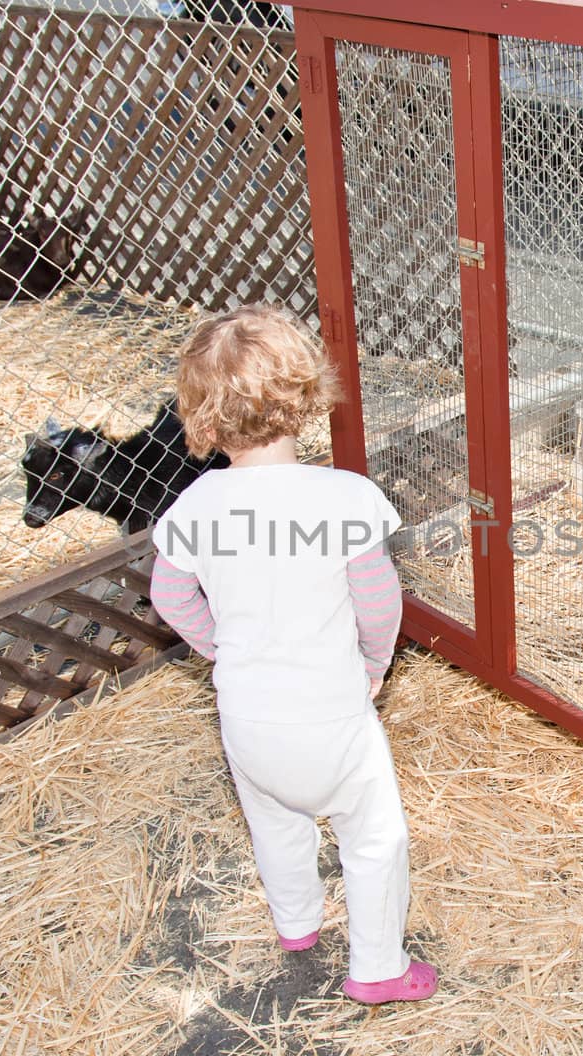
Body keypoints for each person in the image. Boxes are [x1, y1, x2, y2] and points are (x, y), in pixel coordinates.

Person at [149, 304, 436, 1005]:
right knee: (373, 838)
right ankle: (376, 968)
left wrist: (220, 648)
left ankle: (298, 924)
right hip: (332, 718)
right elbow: (379, 603)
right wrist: (374, 666)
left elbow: (168, 596)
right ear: (305, 396)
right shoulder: (344, 498)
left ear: (203, 416)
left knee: (275, 824)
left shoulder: (195, 506)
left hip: (246, 719)